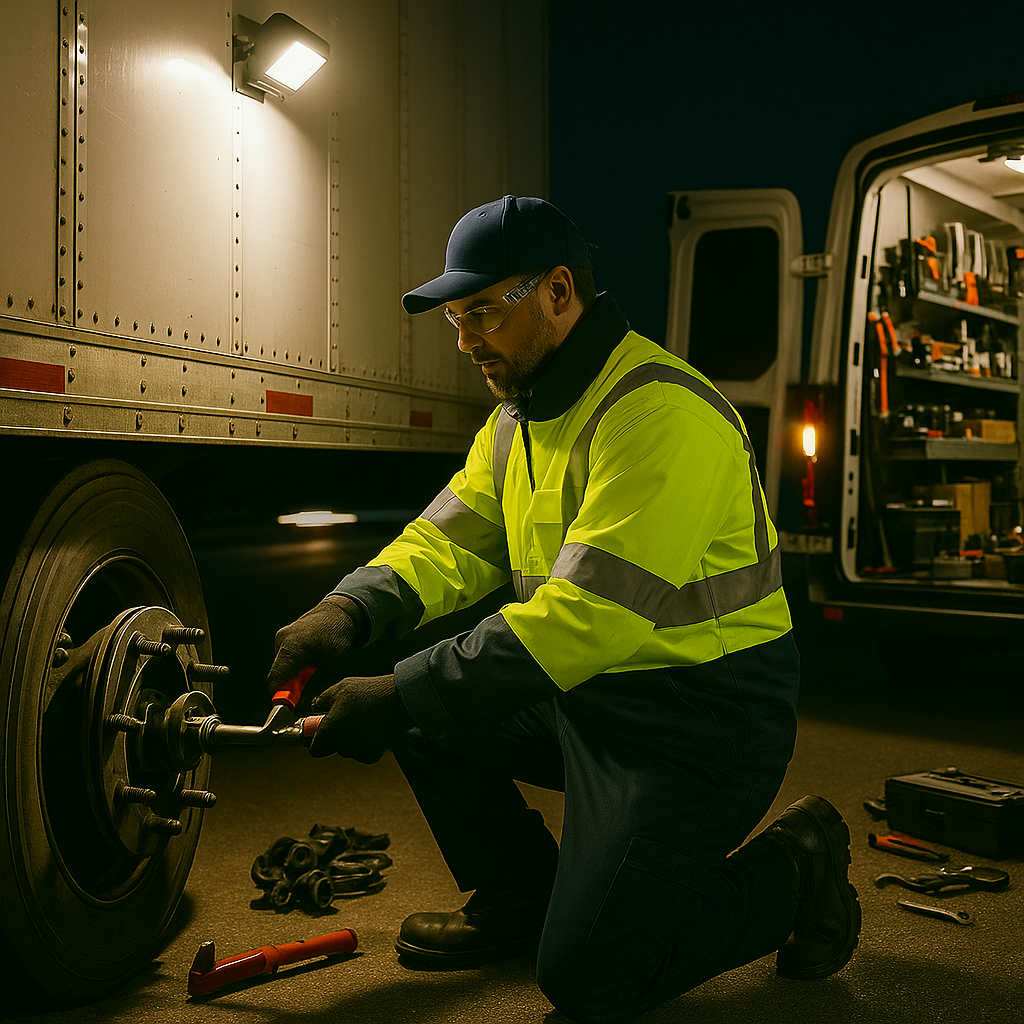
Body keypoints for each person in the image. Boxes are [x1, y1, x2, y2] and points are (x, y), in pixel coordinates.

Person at [267, 196, 861, 1024]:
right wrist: (348, 613)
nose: (468, 338)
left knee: (592, 976)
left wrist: (401, 689)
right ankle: (520, 897)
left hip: (700, 723)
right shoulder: (520, 417)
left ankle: (797, 865)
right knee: (426, 710)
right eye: (456, 318)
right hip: (589, 693)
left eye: (483, 312)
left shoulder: (660, 414)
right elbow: (448, 542)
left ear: (556, 292)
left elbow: (588, 617)